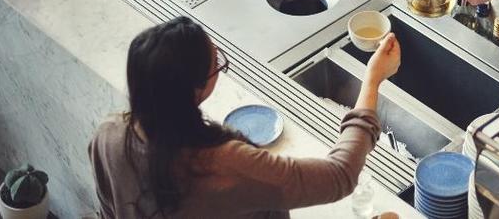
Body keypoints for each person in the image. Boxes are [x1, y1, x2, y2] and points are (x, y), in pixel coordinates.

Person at [88, 16, 401, 218]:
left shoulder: (109, 136)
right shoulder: (223, 165)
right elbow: (339, 175)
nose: (219, 65)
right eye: (217, 64)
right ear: (195, 90)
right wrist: (372, 80)